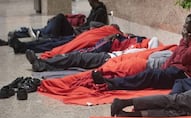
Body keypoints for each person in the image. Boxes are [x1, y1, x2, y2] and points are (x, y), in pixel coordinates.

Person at [91, 13, 191, 91]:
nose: (184, 25)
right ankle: (113, 83)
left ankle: (112, 84)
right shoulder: (189, 38)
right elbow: (175, 54)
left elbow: (185, 59)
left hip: (184, 75)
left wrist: (184, 41)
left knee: (148, 75)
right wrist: (165, 66)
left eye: (187, 23)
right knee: (149, 73)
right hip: (174, 69)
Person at [7, 0, 108, 53]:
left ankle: (23, 45)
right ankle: (19, 41)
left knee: (51, 40)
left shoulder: (100, 13)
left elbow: (92, 28)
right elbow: (89, 25)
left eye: (90, 2)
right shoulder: (95, 10)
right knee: (46, 33)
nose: (90, 4)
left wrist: (79, 30)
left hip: (78, 36)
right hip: (78, 33)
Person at [25, 36, 158, 72]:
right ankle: (43, 64)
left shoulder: (143, 53)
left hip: (108, 59)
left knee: (76, 57)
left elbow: (155, 41)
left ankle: (42, 64)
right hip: (108, 57)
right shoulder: (138, 50)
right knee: (75, 58)